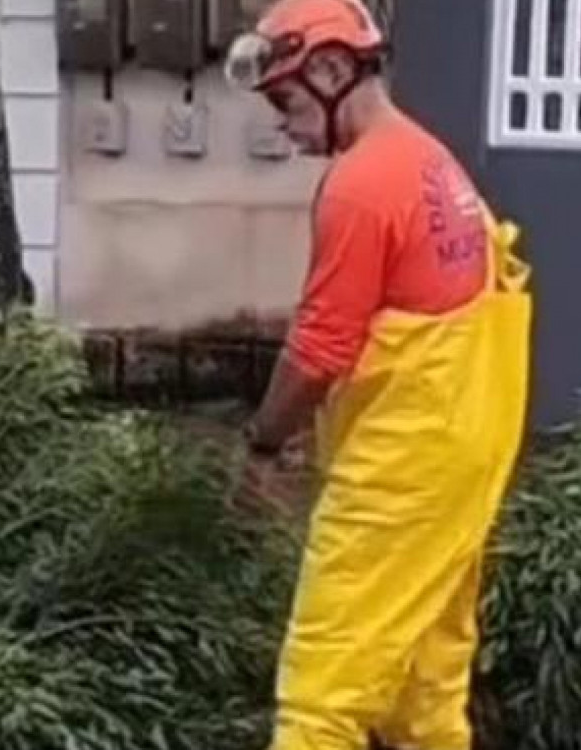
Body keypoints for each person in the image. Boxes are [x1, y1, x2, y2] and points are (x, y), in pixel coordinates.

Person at [223, 1, 532, 748]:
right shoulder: (431, 160)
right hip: (464, 461)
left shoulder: (361, 185)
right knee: (426, 684)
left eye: (289, 103)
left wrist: (263, 444)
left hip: (402, 473)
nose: (286, 129)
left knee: (320, 692)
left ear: (333, 71)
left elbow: (320, 349)